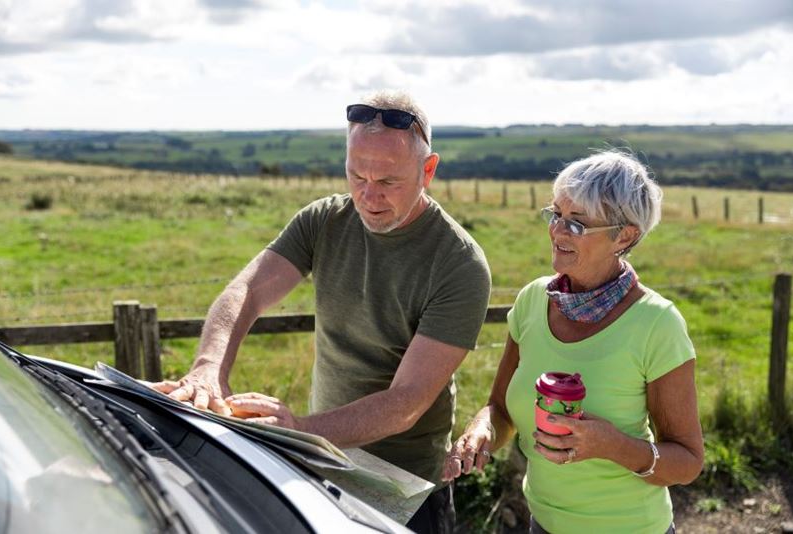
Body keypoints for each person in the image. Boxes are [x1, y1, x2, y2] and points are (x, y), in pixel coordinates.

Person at [152, 89, 491, 534]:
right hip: (322, 460)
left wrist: (297, 429)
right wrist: (208, 367)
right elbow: (247, 291)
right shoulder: (324, 220)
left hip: (404, 485)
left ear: (428, 171)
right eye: (356, 177)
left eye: (388, 182)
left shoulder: (459, 264)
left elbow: (405, 403)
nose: (369, 197)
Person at [442, 150, 703, 534]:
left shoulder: (657, 324)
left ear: (625, 235)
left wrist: (611, 444)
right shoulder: (533, 301)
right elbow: (500, 409)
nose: (558, 231)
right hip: (543, 524)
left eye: (578, 224)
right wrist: (480, 431)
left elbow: (687, 462)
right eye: (556, 215)